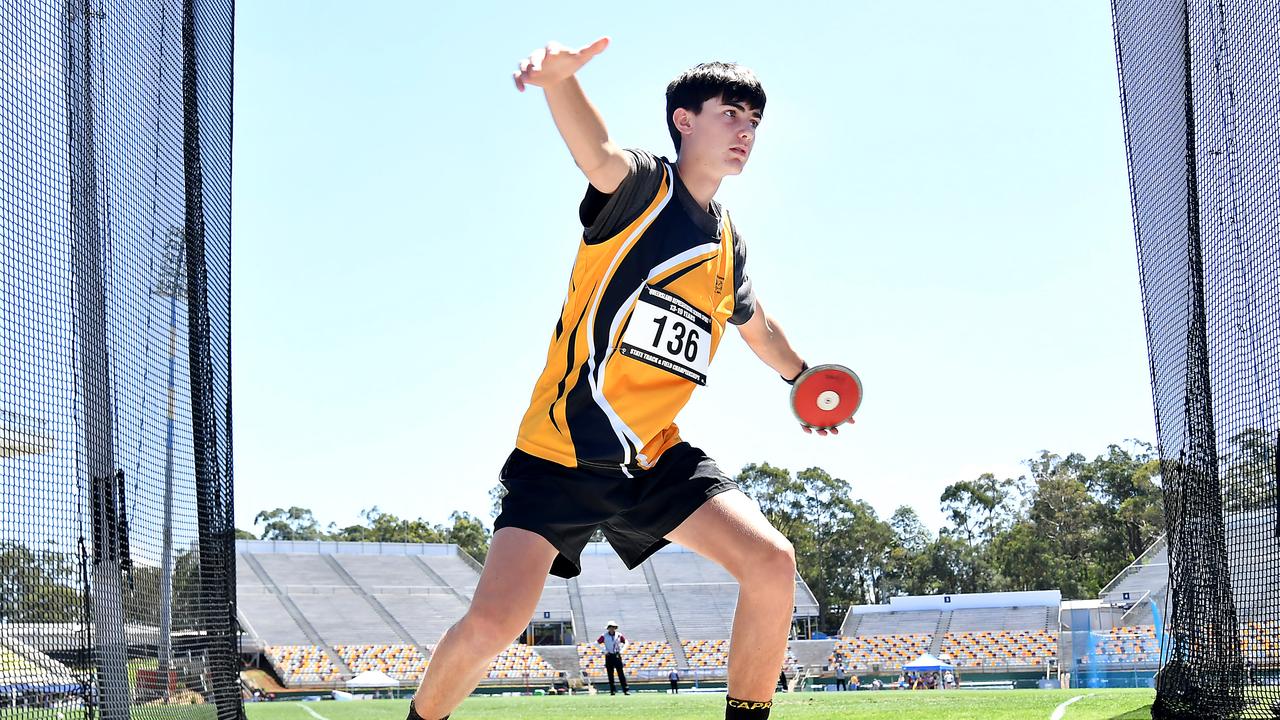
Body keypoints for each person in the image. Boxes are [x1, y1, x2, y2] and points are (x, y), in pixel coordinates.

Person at [405, 36, 842, 720]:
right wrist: (560, 83)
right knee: (492, 626)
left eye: (755, 122)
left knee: (772, 563)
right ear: (684, 121)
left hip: (654, 454)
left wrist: (805, 379)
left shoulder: (729, 243)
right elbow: (596, 153)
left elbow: (755, 325)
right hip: (562, 456)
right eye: (731, 114)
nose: (746, 132)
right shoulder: (643, 189)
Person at [597, 621, 629, 695]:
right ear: (608, 628)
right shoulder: (604, 636)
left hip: (617, 655)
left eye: (613, 627)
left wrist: (622, 651)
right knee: (610, 674)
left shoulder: (619, 635)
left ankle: (626, 690)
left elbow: (626, 642)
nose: (612, 629)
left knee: (620, 673)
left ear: (615, 628)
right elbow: (596, 643)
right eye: (610, 627)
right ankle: (612, 691)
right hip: (609, 656)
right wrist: (604, 651)